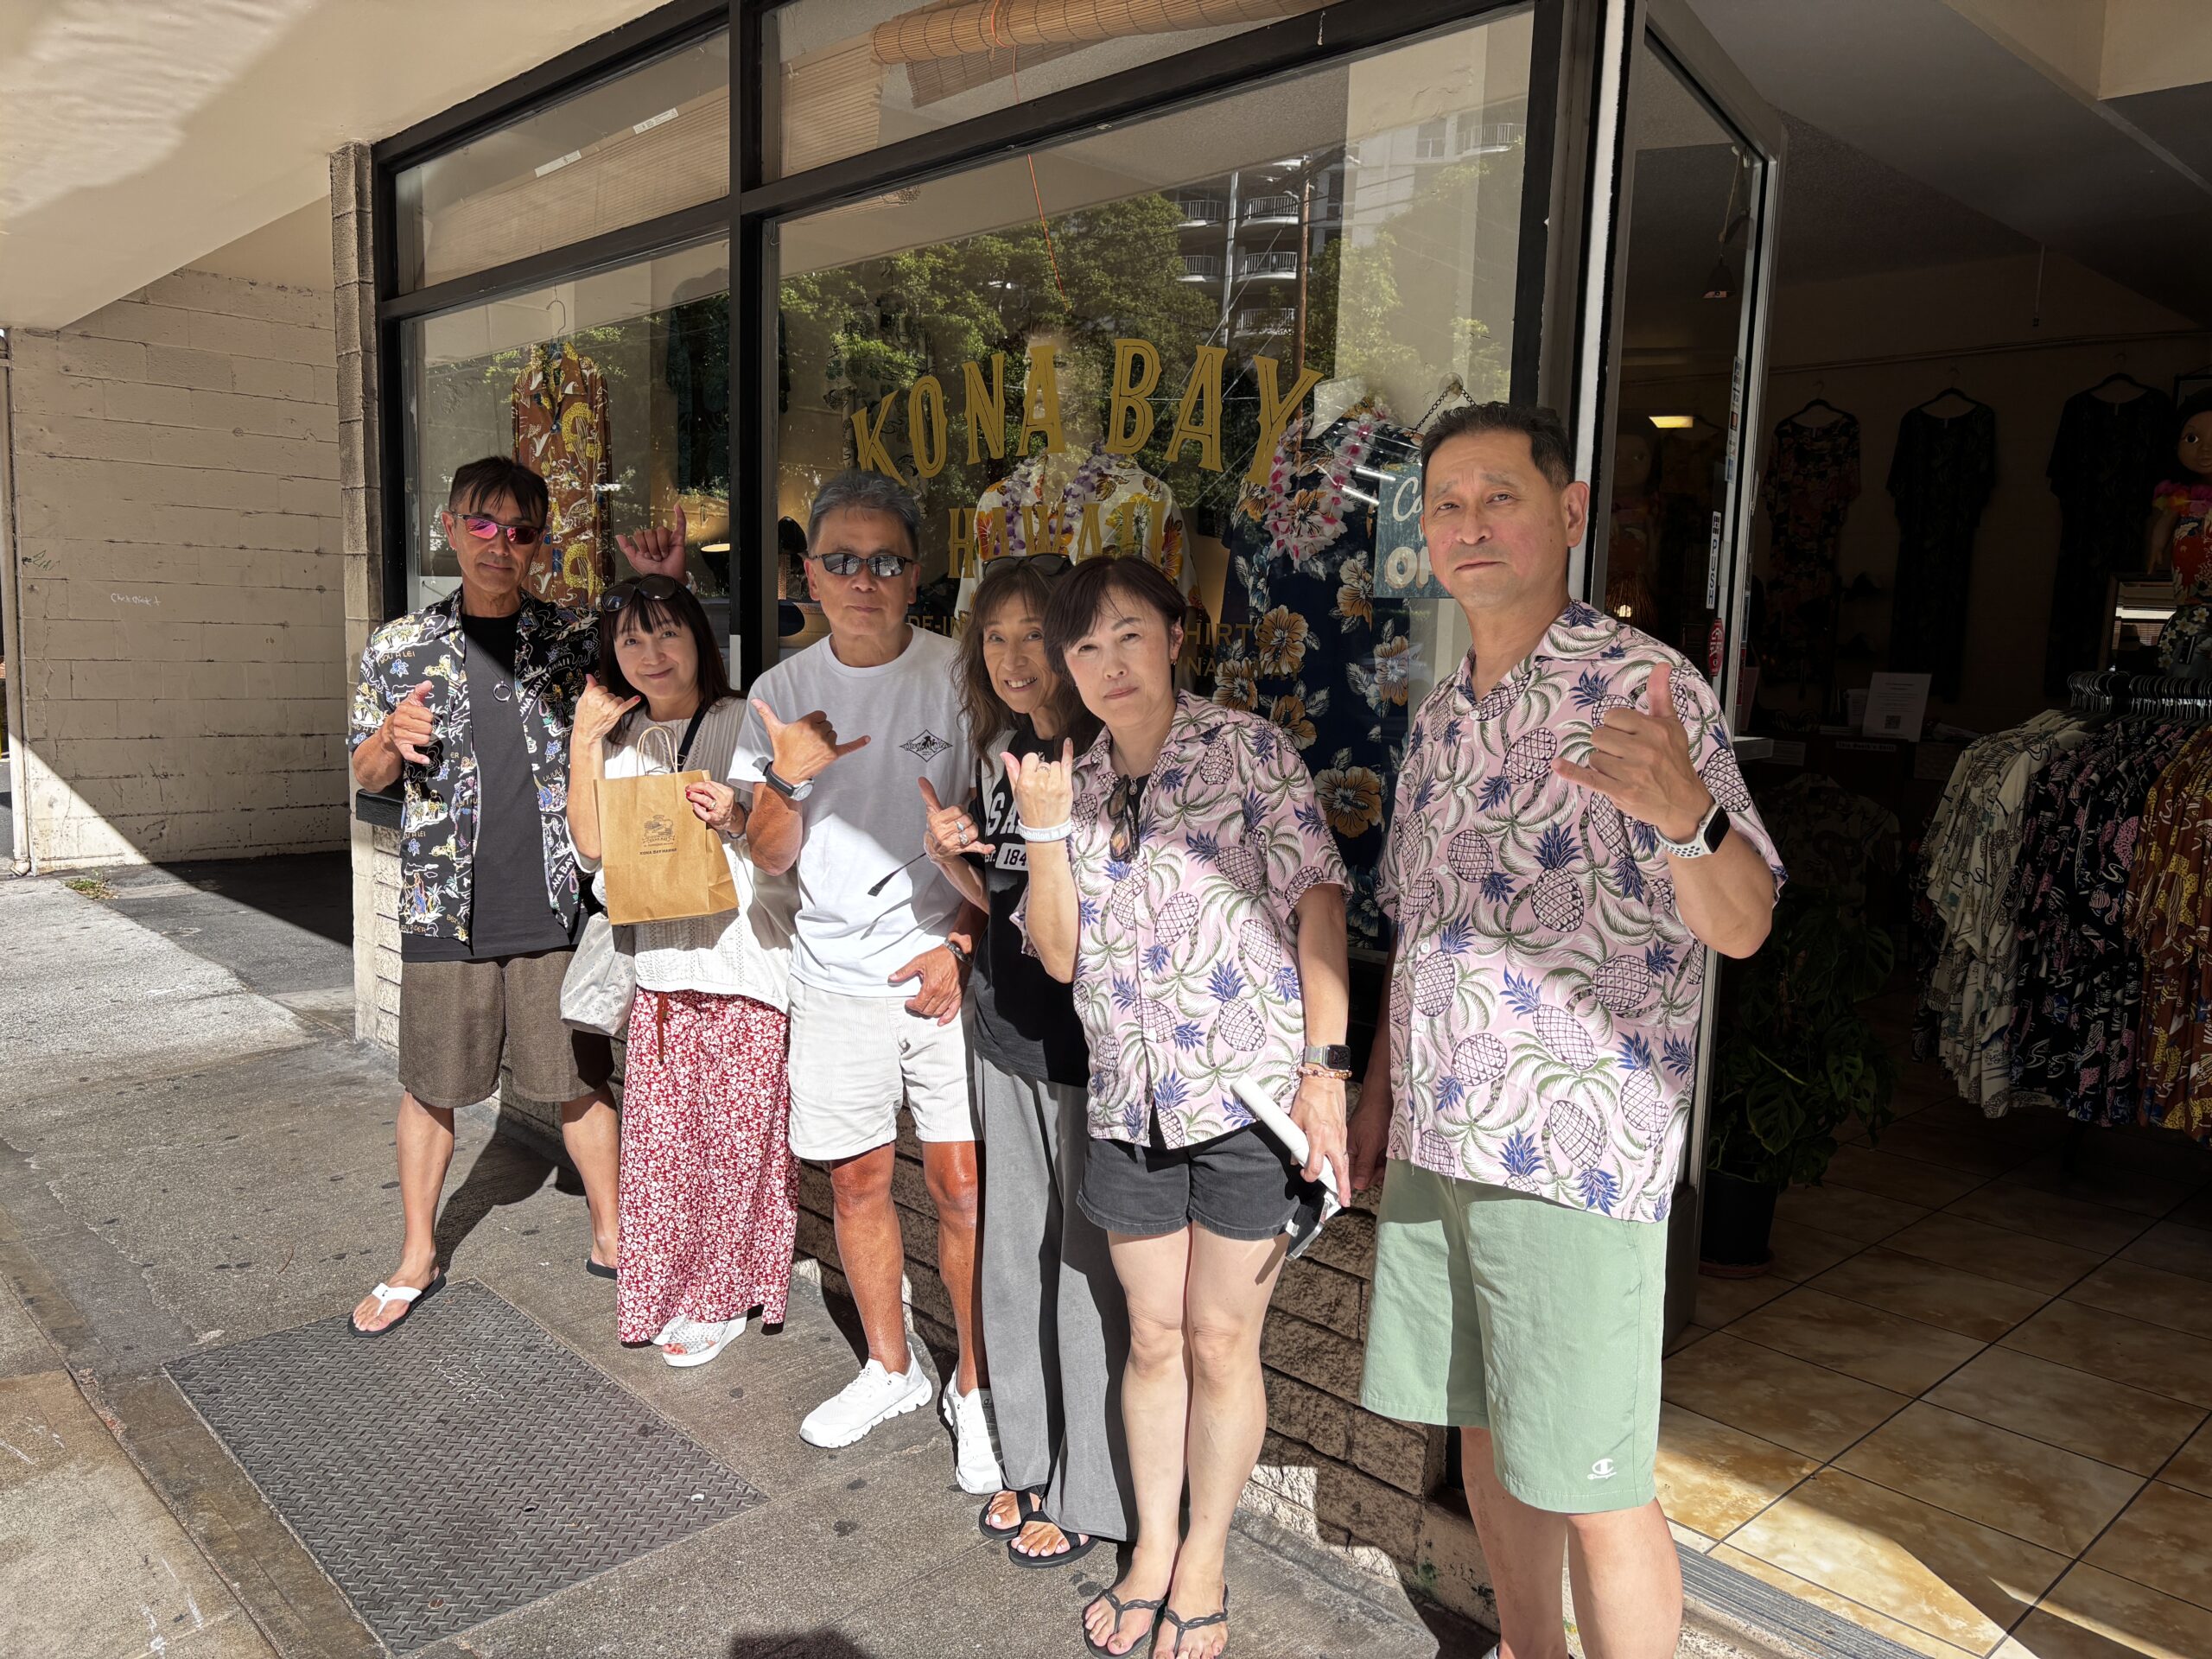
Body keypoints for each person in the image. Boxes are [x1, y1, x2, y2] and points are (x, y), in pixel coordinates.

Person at [1348, 403, 1784, 1659]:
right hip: (1440, 1141)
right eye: (1446, 504)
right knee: (1486, 1437)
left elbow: (1744, 924)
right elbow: (1419, 928)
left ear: (1571, 510)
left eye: (1501, 496)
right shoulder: (1443, 711)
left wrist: (1691, 816)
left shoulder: (1647, 687)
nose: (1469, 524)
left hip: (1574, 1155)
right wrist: (1378, 1095)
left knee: (1595, 1478)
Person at [1013, 555, 1351, 1659]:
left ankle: (1206, 1555)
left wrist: (1325, 1072)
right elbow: (1058, 956)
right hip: (1129, 1103)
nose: (1108, 664)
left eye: (1128, 635)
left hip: (1246, 1099)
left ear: (1173, 635)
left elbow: (1318, 906)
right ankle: (1152, 1546)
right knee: (1154, 1338)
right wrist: (1046, 832)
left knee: (1219, 1338)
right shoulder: (1069, 782)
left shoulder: (1248, 750)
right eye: (1084, 647)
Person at [346, 458, 688, 1335]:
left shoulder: (572, 640)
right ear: (450, 527)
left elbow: (662, 678)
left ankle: (613, 1236)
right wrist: (388, 735)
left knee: (576, 1082)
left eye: (521, 530)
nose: (500, 544)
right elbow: (365, 775)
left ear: (541, 542)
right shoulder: (398, 645)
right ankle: (416, 1254)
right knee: (431, 1086)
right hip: (443, 903)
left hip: (552, 902)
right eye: (483, 524)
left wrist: (665, 587)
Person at [730, 470, 999, 1489]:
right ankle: (890, 1366)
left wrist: (961, 944)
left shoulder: (961, 675)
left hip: (940, 969)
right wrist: (788, 776)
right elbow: (769, 854)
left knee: (963, 1188)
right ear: (808, 574)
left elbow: (999, 838)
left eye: (885, 561)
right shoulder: (777, 693)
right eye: (841, 560)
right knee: (856, 1182)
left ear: (915, 575)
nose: (862, 579)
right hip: (833, 975)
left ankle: (973, 1385)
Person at [917, 559, 1130, 1568]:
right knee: (1012, 1259)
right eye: (994, 636)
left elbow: (1083, 939)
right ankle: (1030, 1460)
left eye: (1034, 634)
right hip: (1005, 1034)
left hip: (1086, 1056)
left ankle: (1093, 1489)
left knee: (1086, 1272)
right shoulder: (1005, 752)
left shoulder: (1107, 760)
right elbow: (1009, 906)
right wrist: (949, 858)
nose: (1012, 657)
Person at [567, 575, 798, 1368]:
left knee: (736, 1149)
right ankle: (667, 1288)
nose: (651, 653)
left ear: (701, 637)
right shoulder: (621, 738)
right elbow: (591, 851)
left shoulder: (745, 722)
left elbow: (780, 837)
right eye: (631, 639)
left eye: (667, 632)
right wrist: (584, 743)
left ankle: (721, 1297)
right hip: (662, 971)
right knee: (666, 1153)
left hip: (744, 964)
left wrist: (737, 814)